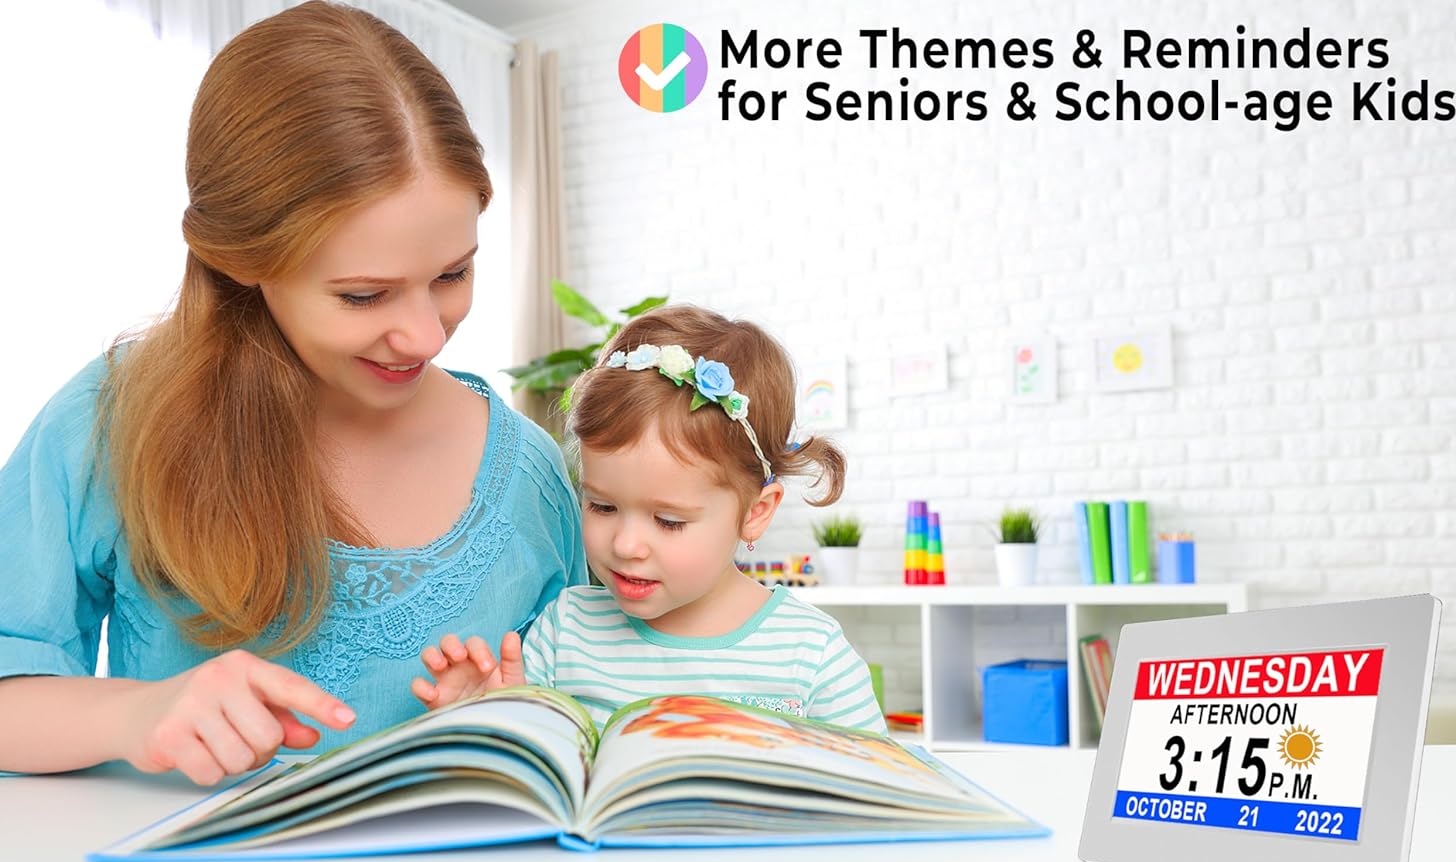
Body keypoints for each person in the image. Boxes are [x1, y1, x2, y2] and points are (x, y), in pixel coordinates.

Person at [0, 2, 584, 784]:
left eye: (453, 274)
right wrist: (133, 716)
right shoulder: (112, 421)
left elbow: (583, 721)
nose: (426, 335)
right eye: (364, 296)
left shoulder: (530, 480)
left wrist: (515, 717)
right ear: (243, 258)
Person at [412, 305, 885, 734]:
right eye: (602, 506)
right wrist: (483, 720)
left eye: (669, 521)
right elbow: (530, 778)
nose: (626, 545)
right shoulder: (565, 633)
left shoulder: (811, 656)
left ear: (755, 513)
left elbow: (885, 797)